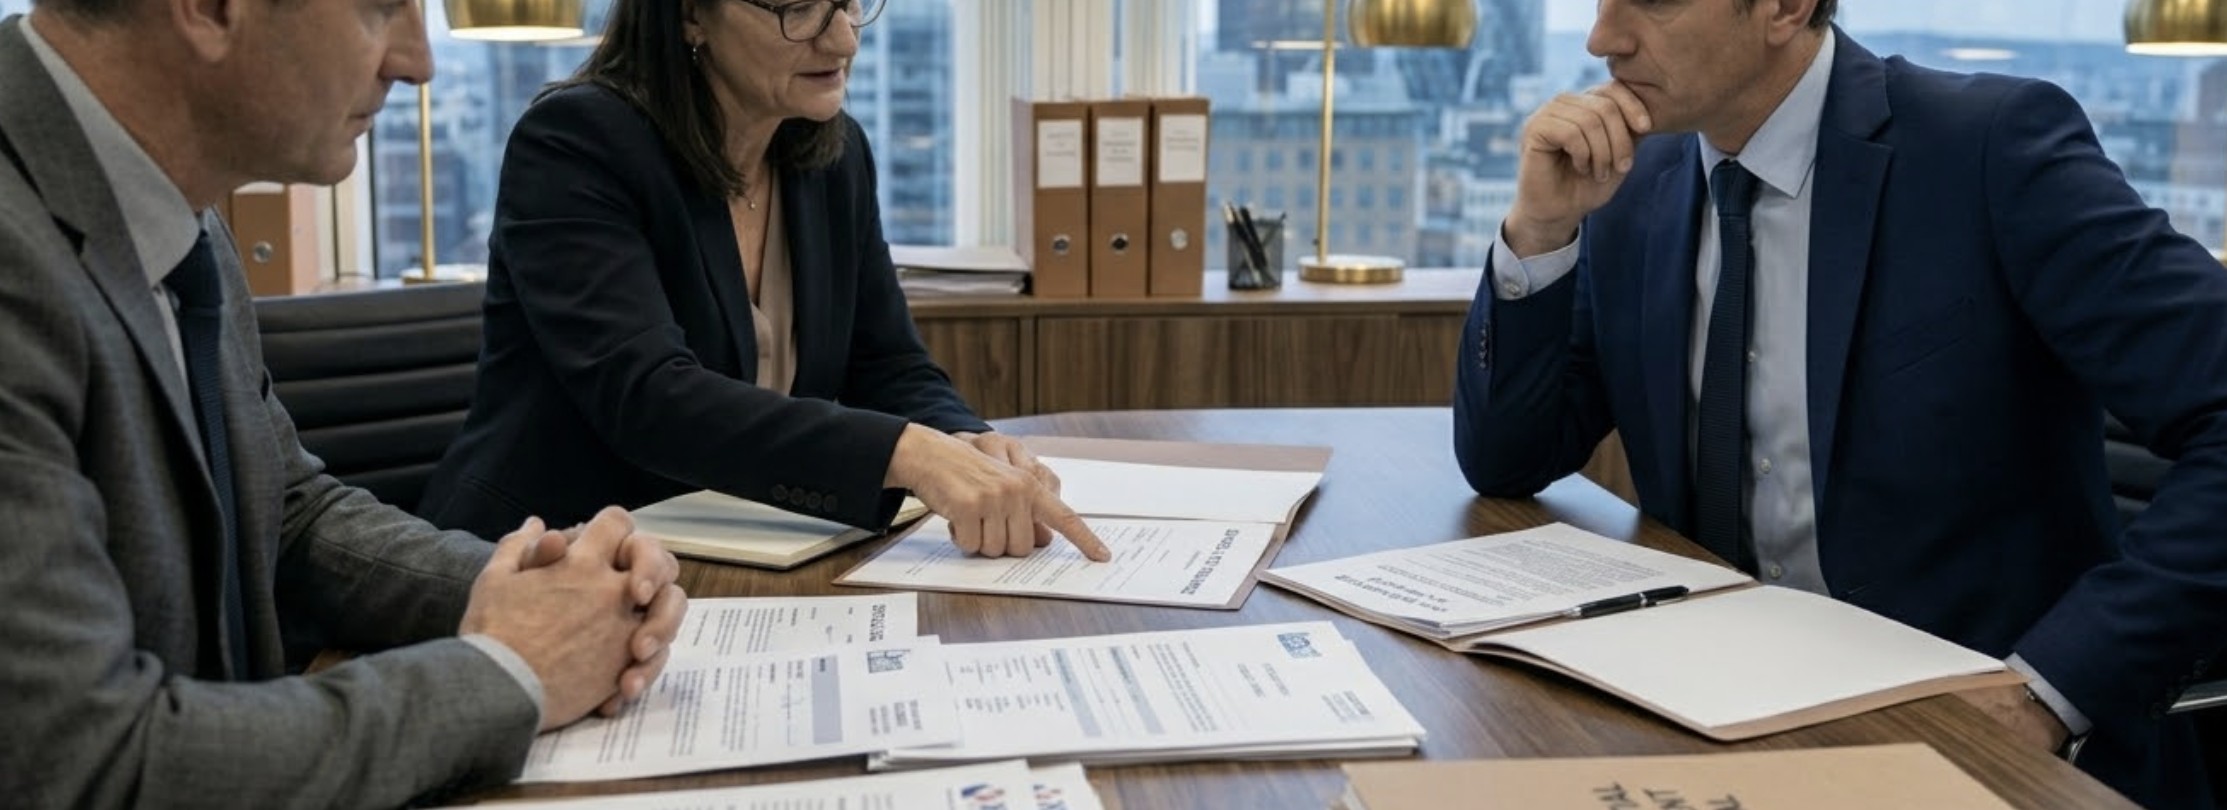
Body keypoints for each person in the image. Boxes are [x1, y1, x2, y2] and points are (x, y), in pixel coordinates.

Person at [1451, 0, 2227, 806]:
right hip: (1710, 718)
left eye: (1651, 2)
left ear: (1784, 9)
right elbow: (1507, 456)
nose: (1600, 39)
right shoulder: (1631, 184)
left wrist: (2045, 692)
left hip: (1977, 738)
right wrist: (1538, 230)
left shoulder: (1987, 146)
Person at [0, 0, 688, 806]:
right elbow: (83, 763)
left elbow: (283, 509)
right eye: (379, 9)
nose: (416, 62)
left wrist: (533, 592)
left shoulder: (174, 202)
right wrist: (510, 670)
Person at [417, 0, 1110, 564]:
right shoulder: (577, 141)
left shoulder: (833, 152)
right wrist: (906, 452)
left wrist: (963, 438)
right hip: (546, 552)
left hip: (737, 547)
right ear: (690, 17)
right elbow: (647, 396)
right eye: (798, 8)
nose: (841, 38)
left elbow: (888, 362)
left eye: (848, 3)